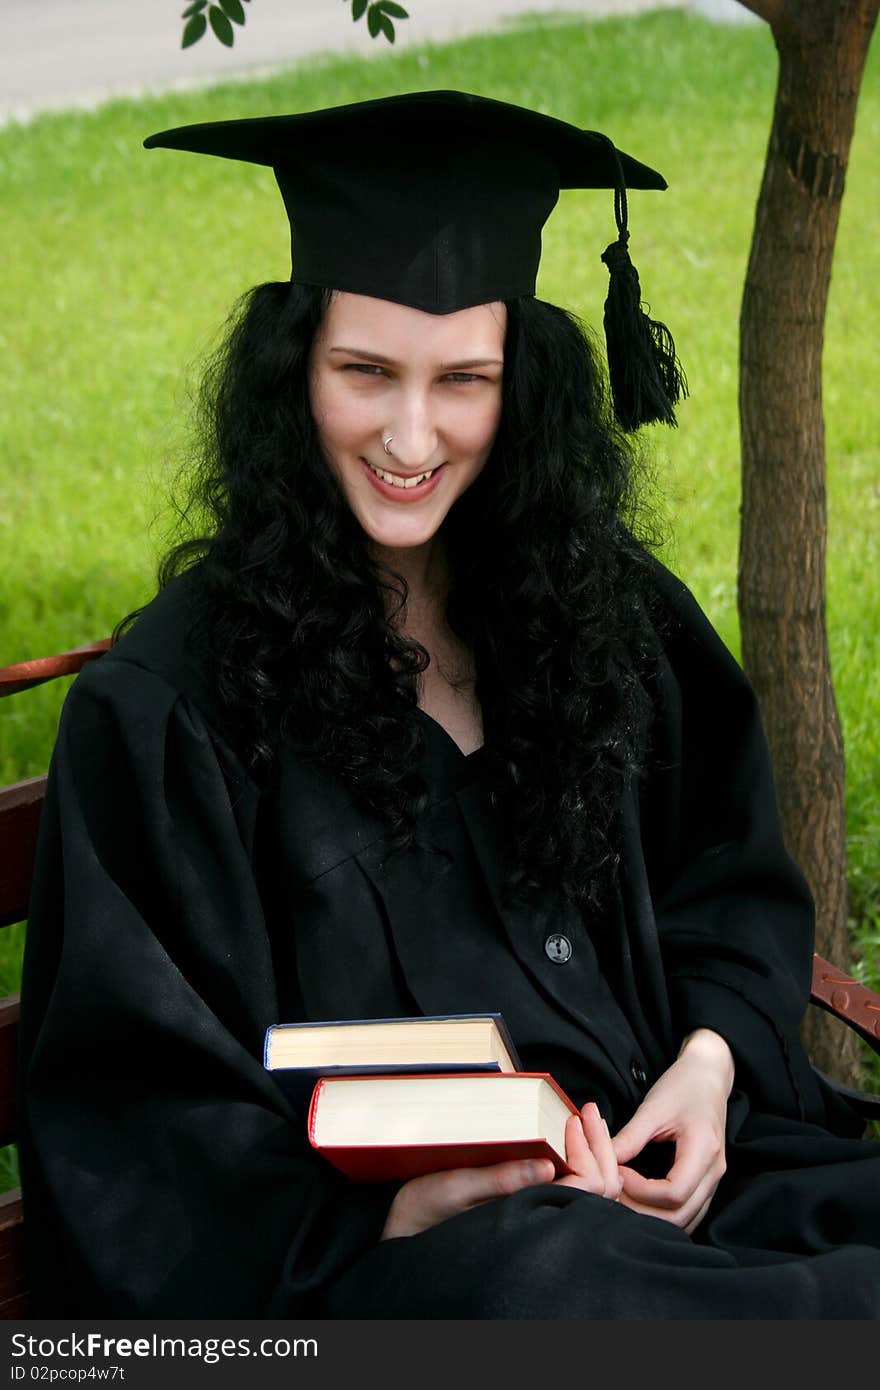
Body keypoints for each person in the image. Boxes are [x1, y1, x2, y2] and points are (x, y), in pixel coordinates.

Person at [17, 90, 880, 1318]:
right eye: (364, 371)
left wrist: (708, 1063)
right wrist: (386, 1212)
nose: (410, 435)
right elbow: (132, 1111)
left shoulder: (604, 616)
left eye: (462, 380)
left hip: (665, 1183)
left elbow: (727, 878)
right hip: (420, 1276)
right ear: (290, 369)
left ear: (521, 389)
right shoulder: (177, 707)